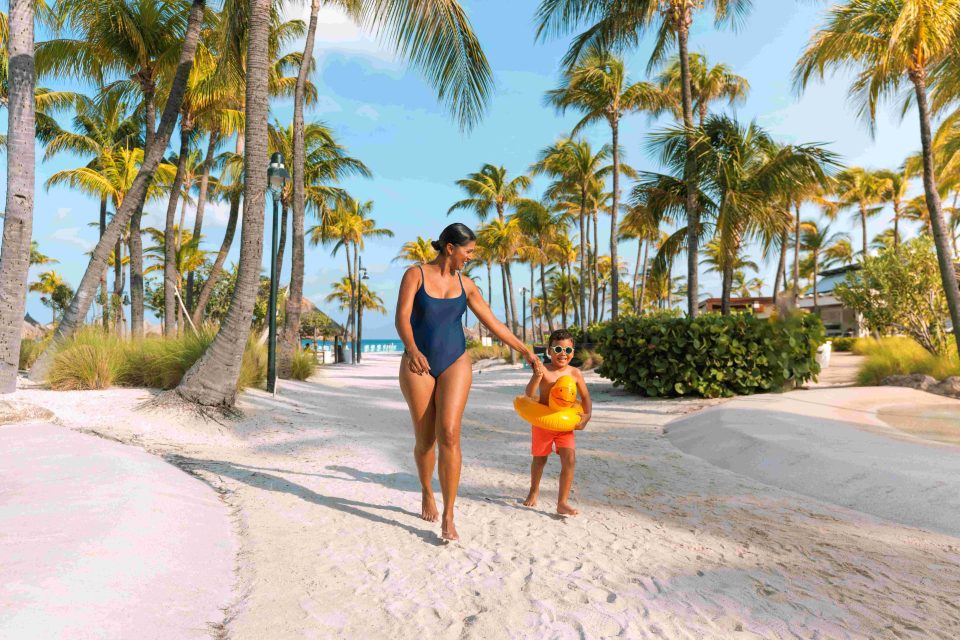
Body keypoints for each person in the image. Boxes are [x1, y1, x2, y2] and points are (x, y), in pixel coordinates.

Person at [395, 222, 543, 542]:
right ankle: (426, 491)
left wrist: (525, 351)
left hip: (456, 361)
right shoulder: (415, 275)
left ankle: (449, 513)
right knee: (426, 441)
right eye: (469, 251)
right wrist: (412, 350)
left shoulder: (468, 286)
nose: (471, 257)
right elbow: (402, 318)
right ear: (451, 248)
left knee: (449, 432)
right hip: (417, 363)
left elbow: (494, 324)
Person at [522, 329, 592, 516]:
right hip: (544, 422)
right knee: (540, 459)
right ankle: (534, 489)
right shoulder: (544, 370)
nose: (563, 354)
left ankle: (562, 502)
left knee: (569, 459)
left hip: (564, 425)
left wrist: (587, 416)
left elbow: (585, 397)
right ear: (549, 351)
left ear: (573, 353)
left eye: (567, 350)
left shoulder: (575, 373)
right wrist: (537, 377)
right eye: (558, 349)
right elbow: (529, 395)